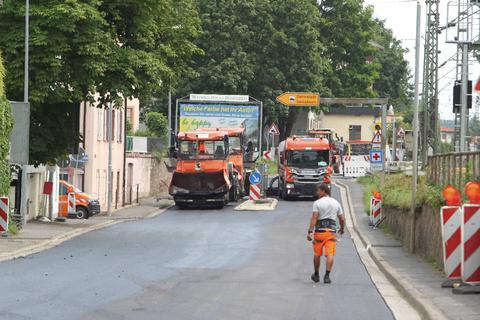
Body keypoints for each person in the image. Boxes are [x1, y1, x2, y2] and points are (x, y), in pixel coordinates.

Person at [307, 183, 345, 284]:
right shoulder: (336, 203)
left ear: (324, 191)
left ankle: (316, 274)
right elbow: (341, 219)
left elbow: (315, 218)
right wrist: (342, 229)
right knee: (330, 254)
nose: (317, 192)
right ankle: (327, 276)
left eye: (318, 190)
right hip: (331, 233)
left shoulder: (317, 203)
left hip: (319, 232)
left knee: (317, 254)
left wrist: (310, 231)